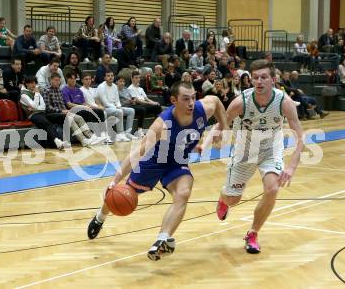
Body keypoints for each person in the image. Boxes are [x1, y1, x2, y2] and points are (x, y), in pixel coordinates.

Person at [87, 81, 228, 261]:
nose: (192, 103)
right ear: (174, 100)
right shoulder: (163, 124)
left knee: (183, 193)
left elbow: (216, 101)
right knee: (120, 195)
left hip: (177, 162)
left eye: (193, 97)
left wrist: (222, 127)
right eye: (186, 99)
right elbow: (137, 153)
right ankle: (100, 217)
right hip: (153, 161)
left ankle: (162, 240)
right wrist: (115, 180)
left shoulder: (203, 109)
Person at [214, 59, 304, 254]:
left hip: (270, 149)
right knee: (232, 200)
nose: (259, 81)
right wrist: (216, 134)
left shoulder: (284, 102)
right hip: (244, 151)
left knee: (272, 189)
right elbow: (222, 122)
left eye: (264, 77)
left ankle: (253, 233)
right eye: (255, 77)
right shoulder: (240, 102)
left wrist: (291, 167)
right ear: (251, 80)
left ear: (273, 80)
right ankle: (223, 198)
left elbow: (299, 137)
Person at [42, 72, 104, 147]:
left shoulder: (58, 90)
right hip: (51, 114)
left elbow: (62, 104)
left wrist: (65, 110)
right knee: (70, 118)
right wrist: (62, 111)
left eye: (59, 80)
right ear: (50, 80)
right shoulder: (46, 90)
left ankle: (90, 136)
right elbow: (48, 107)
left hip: (62, 112)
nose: (57, 82)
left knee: (79, 118)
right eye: (56, 80)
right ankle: (83, 140)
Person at [20, 75, 70, 150]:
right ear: (26, 84)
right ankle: (57, 142)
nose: (33, 85)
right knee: (47, 124)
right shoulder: (23, 94)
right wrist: (36, 95)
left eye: (34, 83)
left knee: (62, 117)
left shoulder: (36, 91)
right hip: (33, 115)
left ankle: (60, 141)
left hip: (42, 113)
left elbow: (43, 106)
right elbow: (35, 106)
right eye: (31, 83)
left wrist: (35, 108)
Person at [96, 69, 134, 142]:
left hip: (115, 107)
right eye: (108, 76)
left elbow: (117, 100)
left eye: (112, 76)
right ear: (104, 78)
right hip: (105, 108)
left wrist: (119, 106)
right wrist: (117, 108)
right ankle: (120, 133)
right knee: (119, 112)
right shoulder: (101, 87)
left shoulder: (115, 86)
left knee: (131, 111)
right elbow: (105, 102)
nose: (110, 77)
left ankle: (128, 133)